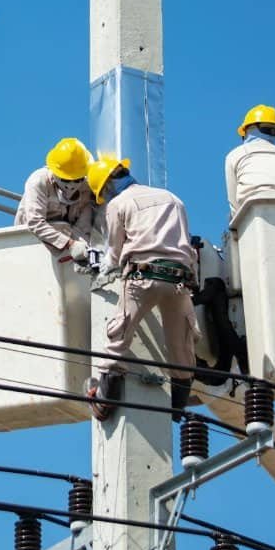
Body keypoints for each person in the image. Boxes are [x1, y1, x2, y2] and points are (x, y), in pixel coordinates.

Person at [87, 154, 199, 422]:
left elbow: (113, 253)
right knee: (181, 348)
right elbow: (187, 246)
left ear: (104, 188)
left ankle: (103, 401)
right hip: (179, 280)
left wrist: (101, 269)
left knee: (119, 337)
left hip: (142, 277)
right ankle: (177, 408)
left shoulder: (118, 203)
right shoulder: (172, 198)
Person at [15, 137, 98, 264]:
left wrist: (82, 248)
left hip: (66, 242)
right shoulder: (39, 181)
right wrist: (70, 244)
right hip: (31, 241)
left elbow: (83, 227)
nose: (71, 185)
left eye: (77, 180)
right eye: (65, 180)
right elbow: (35, 222)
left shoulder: (86, 189)